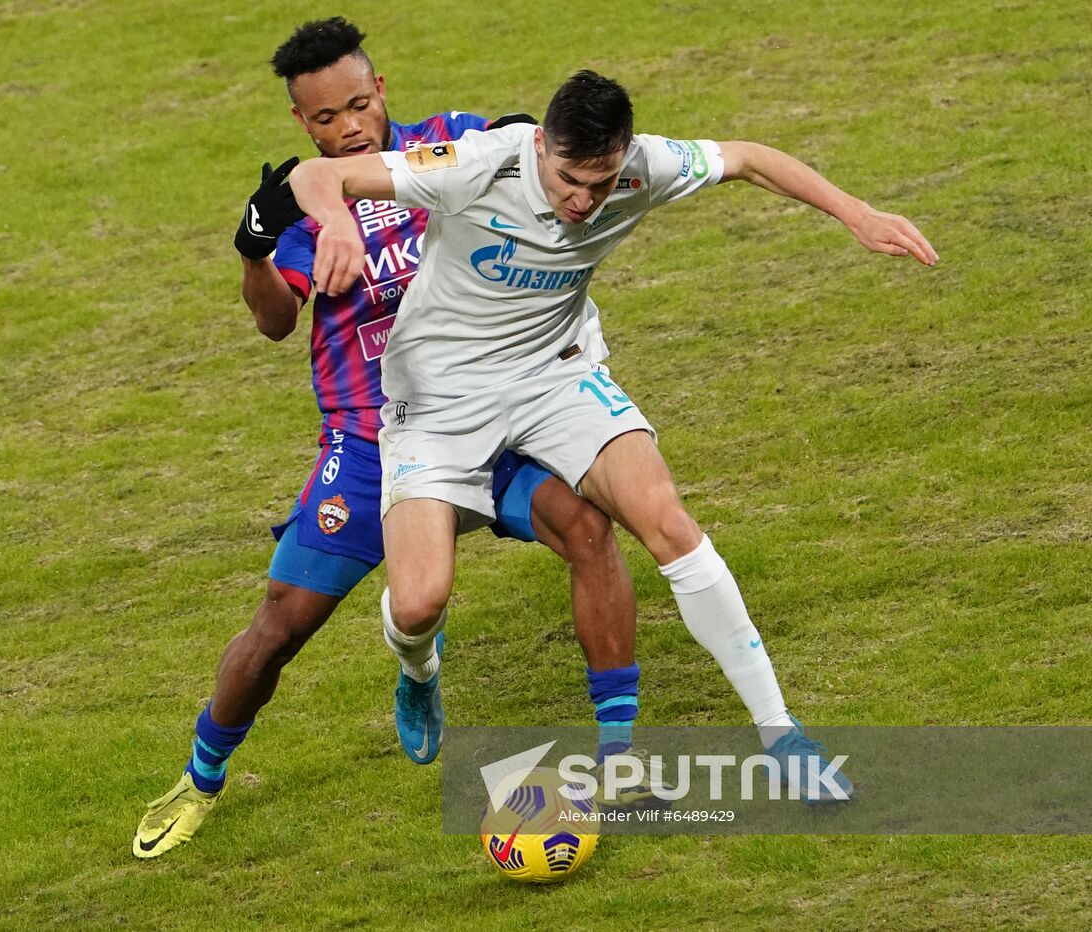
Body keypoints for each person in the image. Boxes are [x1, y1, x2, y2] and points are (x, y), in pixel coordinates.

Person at [290, 69, 939, 803]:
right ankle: (417, 669)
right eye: (568, 181)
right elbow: (317, 174)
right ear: (540, 145)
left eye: (599, 186)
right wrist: (340, 221)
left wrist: (856, 213)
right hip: (438, 401)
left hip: (553, 375)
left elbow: (750, 156)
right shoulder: (479, 162)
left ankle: (780, 733)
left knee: (668, 523)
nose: (581, 202)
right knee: (418, 602)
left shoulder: (643, 168)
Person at [133, 21, 644, 861]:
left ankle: (619, 760)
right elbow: (272, 322)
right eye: (328, 119)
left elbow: (544, 159)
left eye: (362, 105)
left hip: (489, 421)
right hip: (374, 445)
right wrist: (255, 251)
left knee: (589, 531)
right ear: (304, 124)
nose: (351, 129)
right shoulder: (307, 205)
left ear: (382, 89)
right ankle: (202, 778)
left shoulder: (450, 145)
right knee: (280, 623)